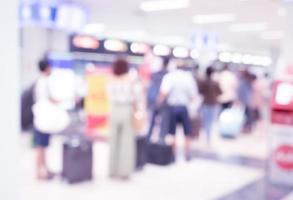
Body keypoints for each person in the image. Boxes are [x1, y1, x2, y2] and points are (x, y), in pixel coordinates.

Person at [159, 59, 198, 161]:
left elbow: (164, 92)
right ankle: (187, 153)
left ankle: (173, 154)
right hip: (184, 108)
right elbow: (193, 96)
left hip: (172, 107)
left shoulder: (170, 76)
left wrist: (159, 102)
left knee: (172, 132)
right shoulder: (188, 78)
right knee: (187, 132)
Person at [108, 58, 137, 180]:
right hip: (126, 109)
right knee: (126, 142)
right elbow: (135, 97)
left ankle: (112, 170)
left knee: (113, 140)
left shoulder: (110, 80)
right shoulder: (130, 80)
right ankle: (124, 171)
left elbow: (108, 95)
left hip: (114, 110)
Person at [33, 58, 55, 180]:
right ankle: (39, 173)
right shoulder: (44, 82)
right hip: (43, 118)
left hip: (41, 116)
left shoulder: (40, 81)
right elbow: (50, 99)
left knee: (43, 146)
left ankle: (45, 170)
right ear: (46, 68)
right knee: (41, 146)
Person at [146, 57, 170, 143]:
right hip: (164, 102)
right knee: (163, 124)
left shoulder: (155, 74)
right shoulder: (168, 75)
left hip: (153, 100)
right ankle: (161, 141)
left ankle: (148, 139)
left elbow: (149, 87)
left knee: (152, 122)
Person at [199, 66, 221, 144]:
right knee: (211, 122)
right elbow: (220, 92)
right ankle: (208, 138)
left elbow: (200, 92)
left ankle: (206, 137)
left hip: (205, 104)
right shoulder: (215, 83)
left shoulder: (203, 82)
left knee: (205, 121)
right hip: (213, 104)